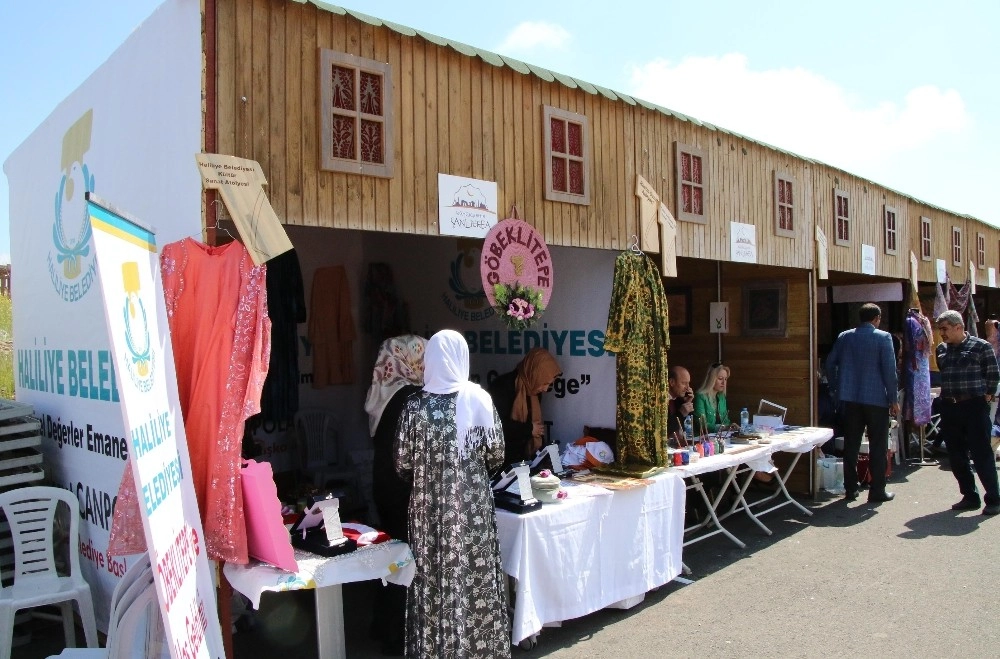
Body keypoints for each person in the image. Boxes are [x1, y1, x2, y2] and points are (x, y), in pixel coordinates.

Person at [394, 330, 510, 658]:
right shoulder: (479, 400)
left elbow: (402, 463)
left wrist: (429, 480)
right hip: (471, 510)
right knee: (475, 578)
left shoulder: (414, 407)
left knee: (431, 582)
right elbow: (496, 454)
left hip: (427, 512)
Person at [364, 334, 427, 656]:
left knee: (392, 559)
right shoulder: (412, 397)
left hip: (385, 487)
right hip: (405, 490)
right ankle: (396, 634)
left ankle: (381, 624)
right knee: (407, 563)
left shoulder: (384, 393)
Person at [825, 303, 899, 503]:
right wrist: (893, 399)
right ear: (877, 318)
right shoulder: (884, 338)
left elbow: (830, 363)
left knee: (851, 445)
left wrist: (834, 388)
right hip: (876, 400)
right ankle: (877, 490)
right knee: (877, 445)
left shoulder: (845, 336)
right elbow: (889, 372)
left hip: (849, 398)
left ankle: (850, 488)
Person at [934, 310, 1000, 515]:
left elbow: (993, 375)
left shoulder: (982, 347)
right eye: (940, 329)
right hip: (950, 407)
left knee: (981, 453)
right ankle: (969, 496)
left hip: (973, 406)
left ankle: (994, 499)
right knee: (956, 454)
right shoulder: (941, 350)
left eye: (945, 329)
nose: (942, 333)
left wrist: (987, 396)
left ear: (958, 327)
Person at [487, 347, 562, 469]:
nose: (545, 389)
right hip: (500, 463)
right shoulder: (502, 387)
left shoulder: (533, 388)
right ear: (533, 374)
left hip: (523, 462)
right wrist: (529, 429)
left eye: (549, 384)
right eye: (544, 383)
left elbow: (536, 426)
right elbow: (495, 426)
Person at [693, 362, 733, 433]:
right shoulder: (700, 396)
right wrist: (723, 427)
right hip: (704, 439)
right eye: (720, 379)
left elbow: (726, 420)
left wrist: (731, 427)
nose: (724, 383)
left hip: (721, 437)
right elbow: (702, 424)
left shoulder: (722, 397)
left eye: (726, 379)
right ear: (711, 379)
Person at [667, 365, 695, 440]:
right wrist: (681, 413)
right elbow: (667, 429)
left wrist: (687, 402)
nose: (687, 387)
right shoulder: (661, 401)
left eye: (688, 383)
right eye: (684, 383)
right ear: (672, 382)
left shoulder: (679, 400)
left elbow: (691, 428)